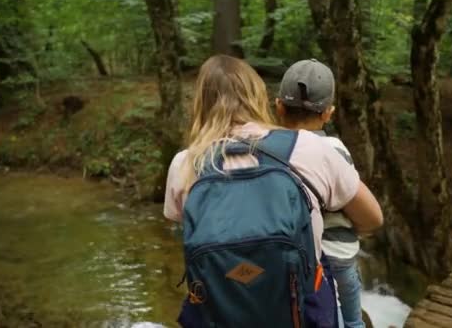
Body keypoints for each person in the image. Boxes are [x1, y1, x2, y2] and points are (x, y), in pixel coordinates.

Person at [163, 55, 382, 327]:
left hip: (219, 312)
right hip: (300, 311)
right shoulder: (311, 148)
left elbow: (187, 227)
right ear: (258, 96)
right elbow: (373, 217)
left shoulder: (185, 163)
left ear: (200, 104)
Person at [275, 59, 368, 328]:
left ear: (278, 106)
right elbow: (347, 197)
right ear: (328, 113)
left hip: (297, 259)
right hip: (340, 251)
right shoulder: (335, 148)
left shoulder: (270, 149)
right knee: (352, 308)